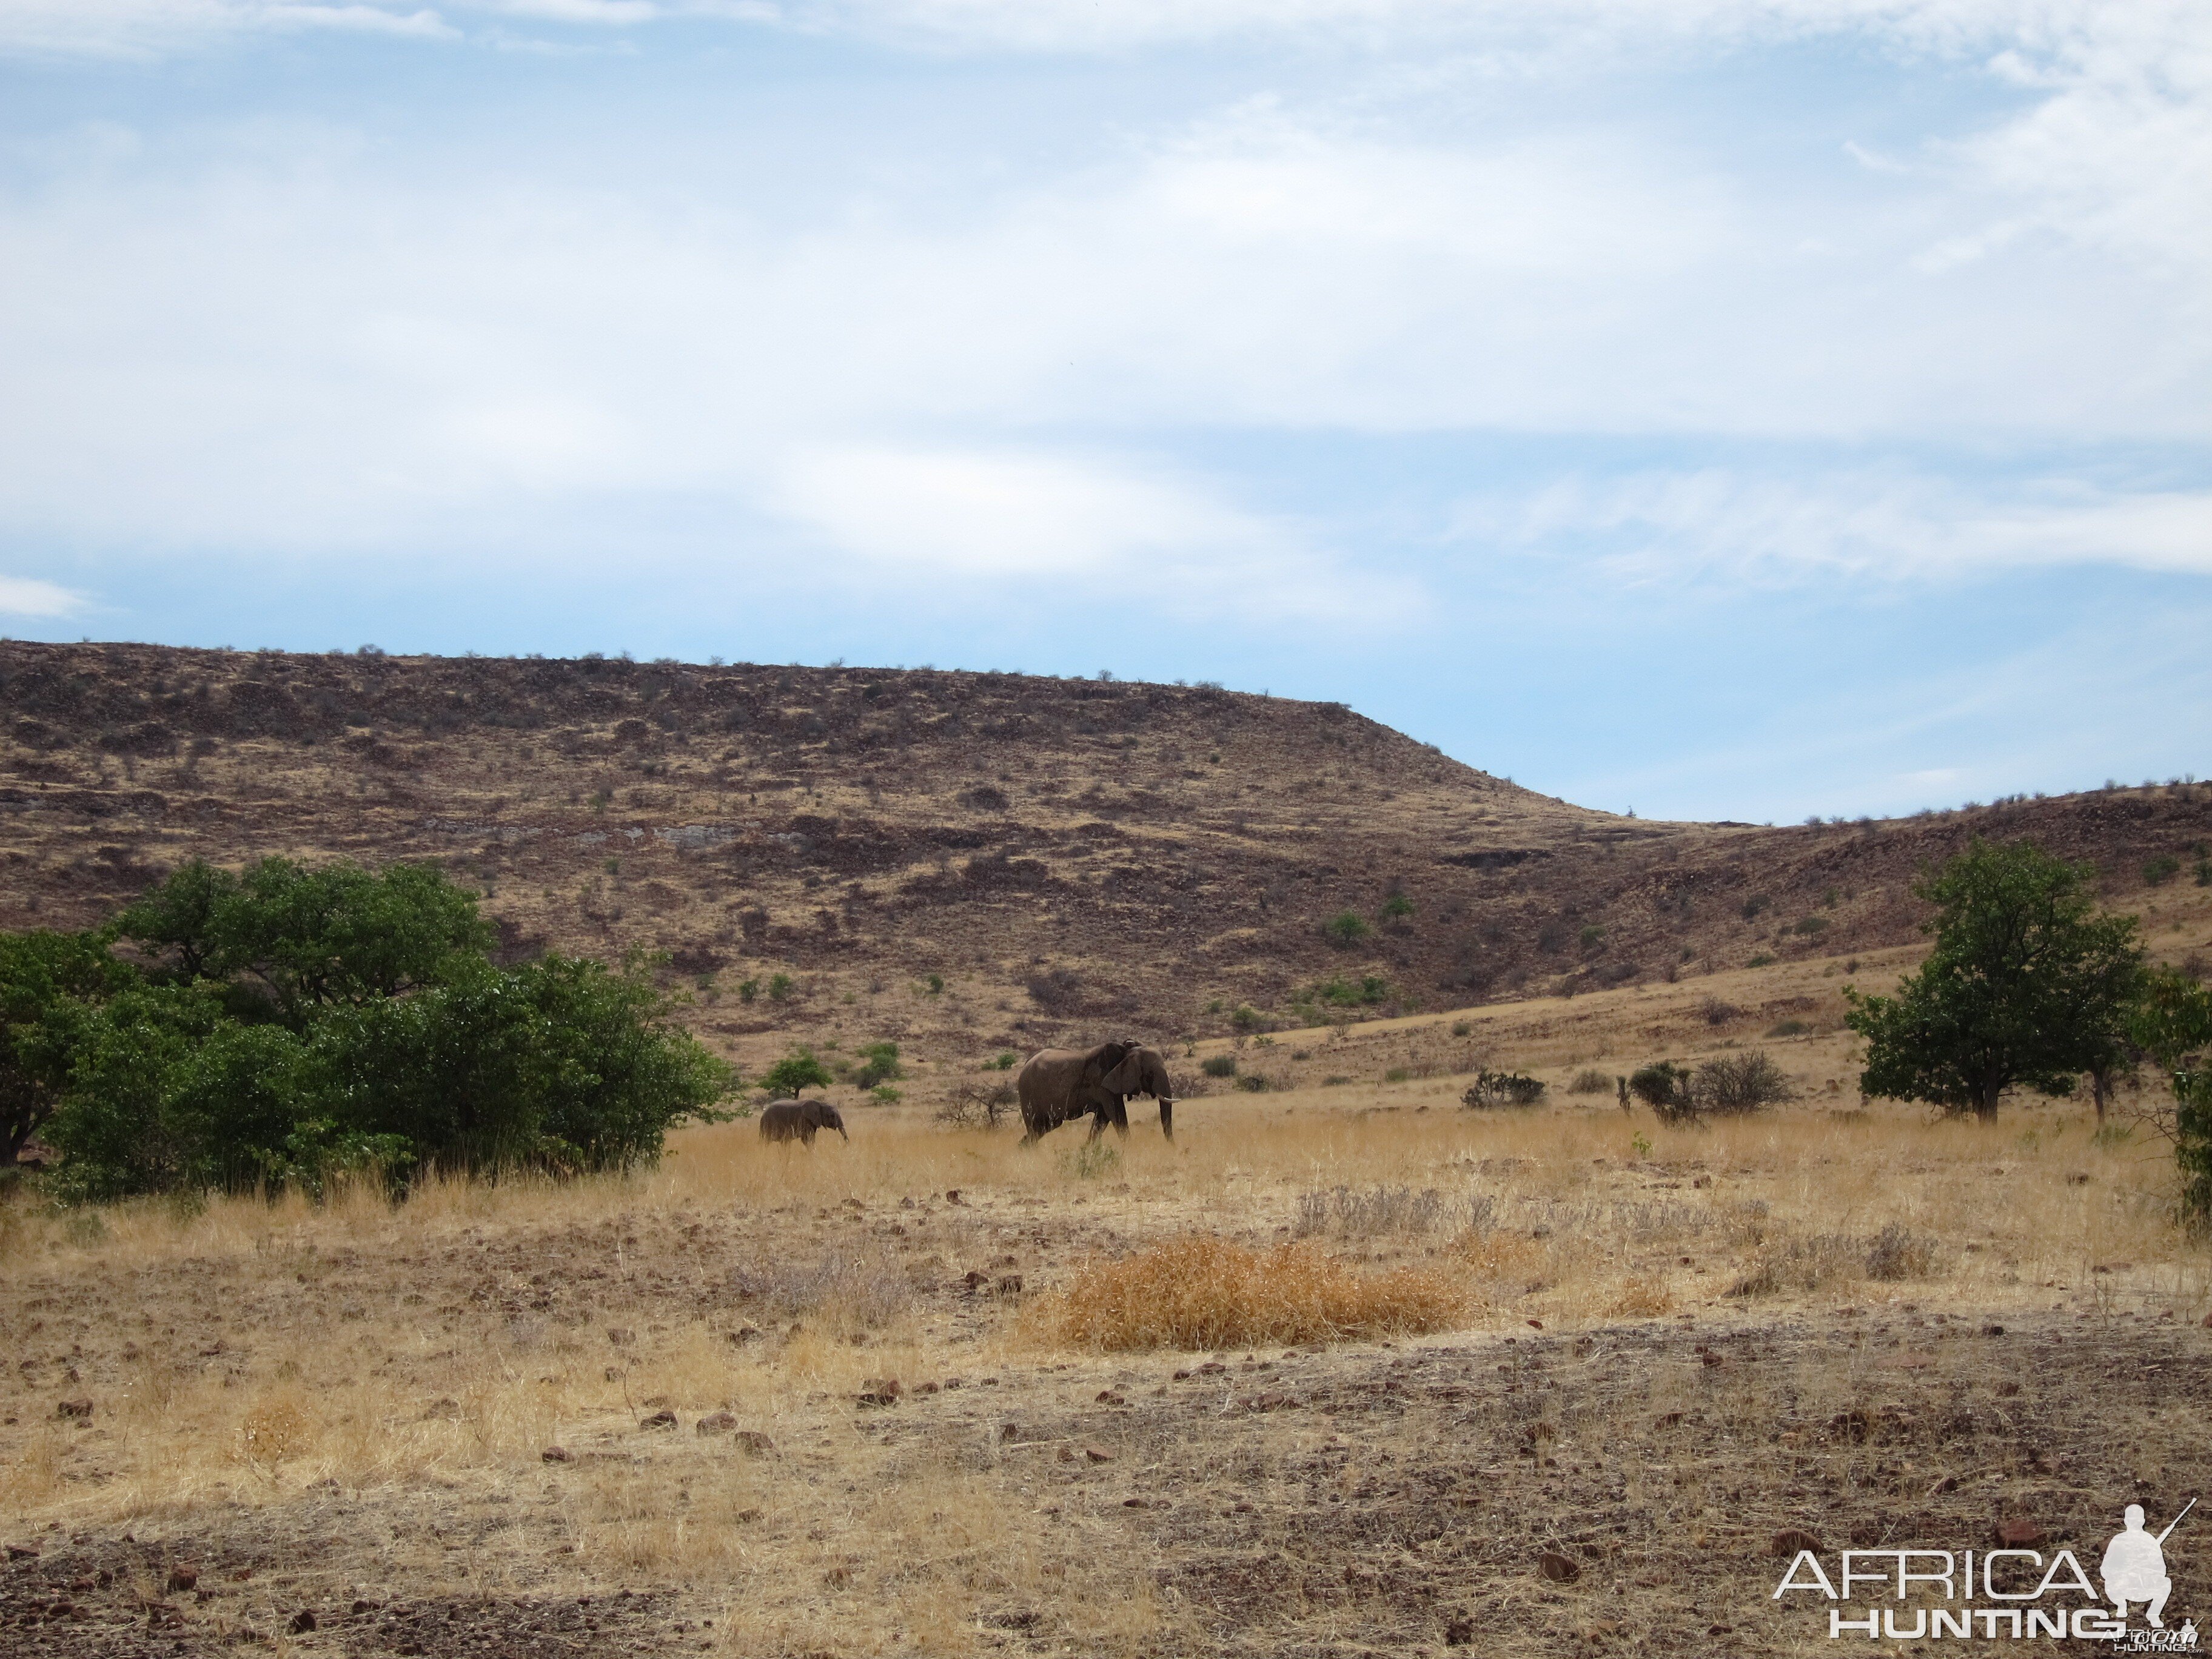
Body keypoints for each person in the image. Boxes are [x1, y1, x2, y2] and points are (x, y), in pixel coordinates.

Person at [2101, 1505, 2173, 1627]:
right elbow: (2106, 1568)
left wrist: (2146, 1569)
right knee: (2109, 1581)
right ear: (2126, 1521)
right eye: (2133, 1519)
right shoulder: (2119, 1540)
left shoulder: (2149, 1540)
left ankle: (2154, 1614)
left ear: (2143, 1521)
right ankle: (2121, 1605)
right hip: (2123, 1586)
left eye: (2137, 1520)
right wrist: (2124, 1570)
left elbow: (2161, 1570)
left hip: (2144, 1587)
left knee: (2166, 1583)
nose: (2135, 1522)